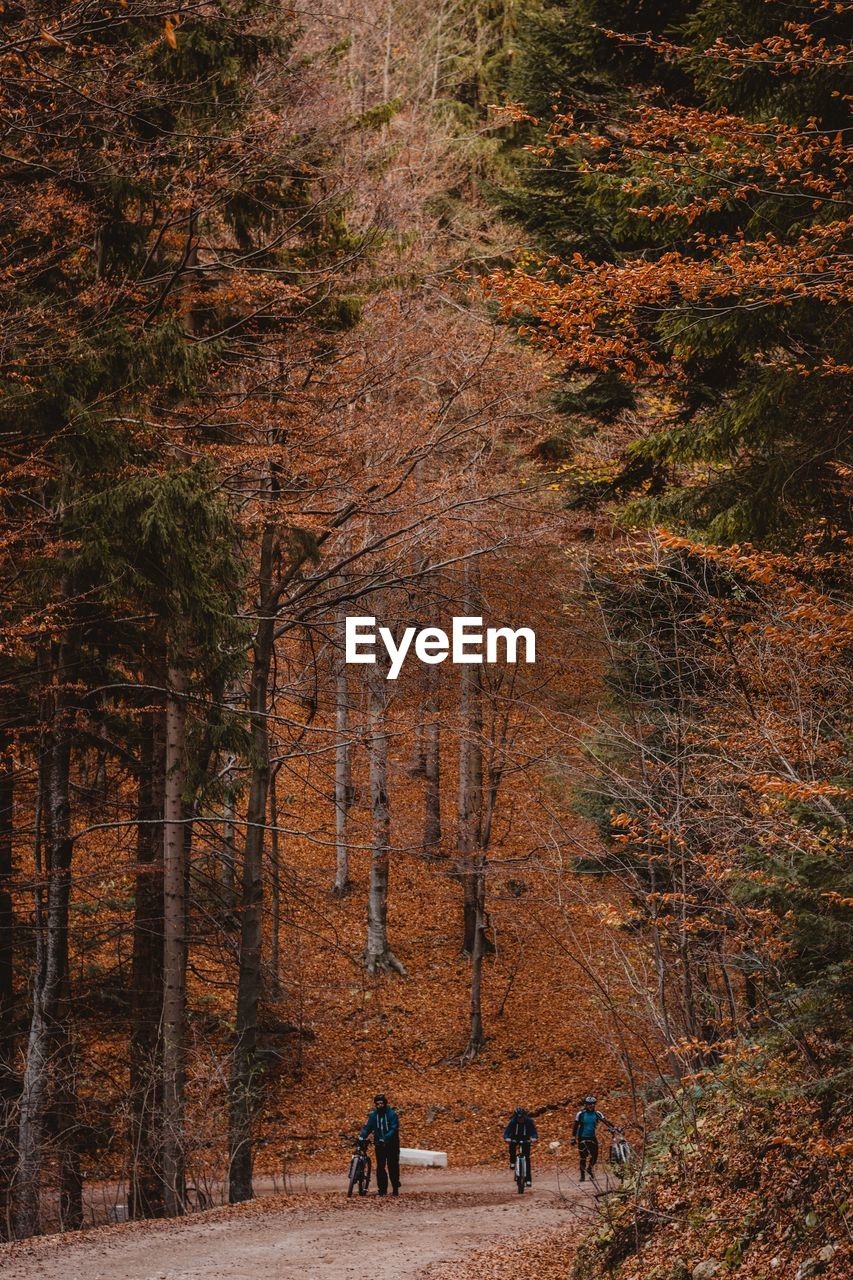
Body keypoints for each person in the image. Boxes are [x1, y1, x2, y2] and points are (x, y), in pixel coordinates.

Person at [360, 1093, 401, 1197]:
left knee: (393, 1166)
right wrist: (362, 1136)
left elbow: (393, 1128)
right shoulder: (374, 1116)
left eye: (381, 1103)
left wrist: (385, 1138)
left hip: (392, 1144)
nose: (380, 1105)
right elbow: (368, 1128)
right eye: (377, 1104)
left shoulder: (392, 1114)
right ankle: (382, 1190)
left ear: (385, 1103)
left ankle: (395, 1188)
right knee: (380, 1167)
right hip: (379, 1145)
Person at [571, 1096, 615, 1181]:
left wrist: (612, 1127)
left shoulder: (597, 1113)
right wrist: (573, 1138)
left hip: (592, 1137)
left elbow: (605, 1121)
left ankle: (590, 1169)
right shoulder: (581, 1114)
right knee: (583, 1157)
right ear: (586, 1105)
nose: (591, 1105)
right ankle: (582, 1175)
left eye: (593, 1104)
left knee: (595, 1155)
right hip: (582, 1137)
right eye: (589, 1104)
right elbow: (575, 1126)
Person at [503, 1107, 538, 1186]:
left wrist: (534, 1138)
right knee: (512, 1146)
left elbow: (534, 1131)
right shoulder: (513, 1122)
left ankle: (528, 1180)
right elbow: (506, 1132)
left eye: (522, 1117)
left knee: (527, 1159)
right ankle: (512, 1161)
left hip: (525, 1139)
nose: (520, 1119)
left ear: (524, 1116)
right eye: (518, 1118)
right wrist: (506, 1138)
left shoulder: (529, 1121)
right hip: (514, 1138)